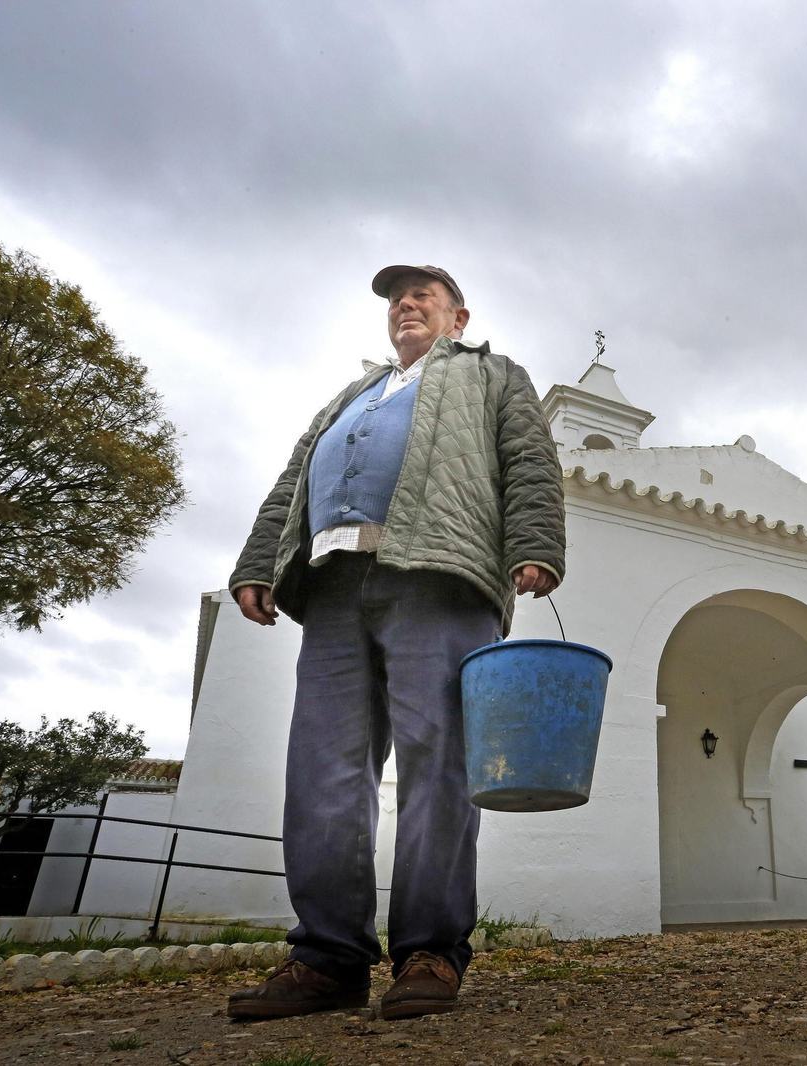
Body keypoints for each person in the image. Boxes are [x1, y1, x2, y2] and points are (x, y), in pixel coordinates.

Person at [224, 264, 565, 1020]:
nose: (406, 305)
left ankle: (430, 952)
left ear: (458, 317)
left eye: (423, 297)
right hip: (335, 586)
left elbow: (531, 462)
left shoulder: (495, 376)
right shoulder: (349, 397)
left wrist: (535, 542)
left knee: (439, 760)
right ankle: (328, 959)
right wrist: (257, 563)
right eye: (396, 299)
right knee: (322, 770)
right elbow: (293, 483)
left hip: (441, 576)